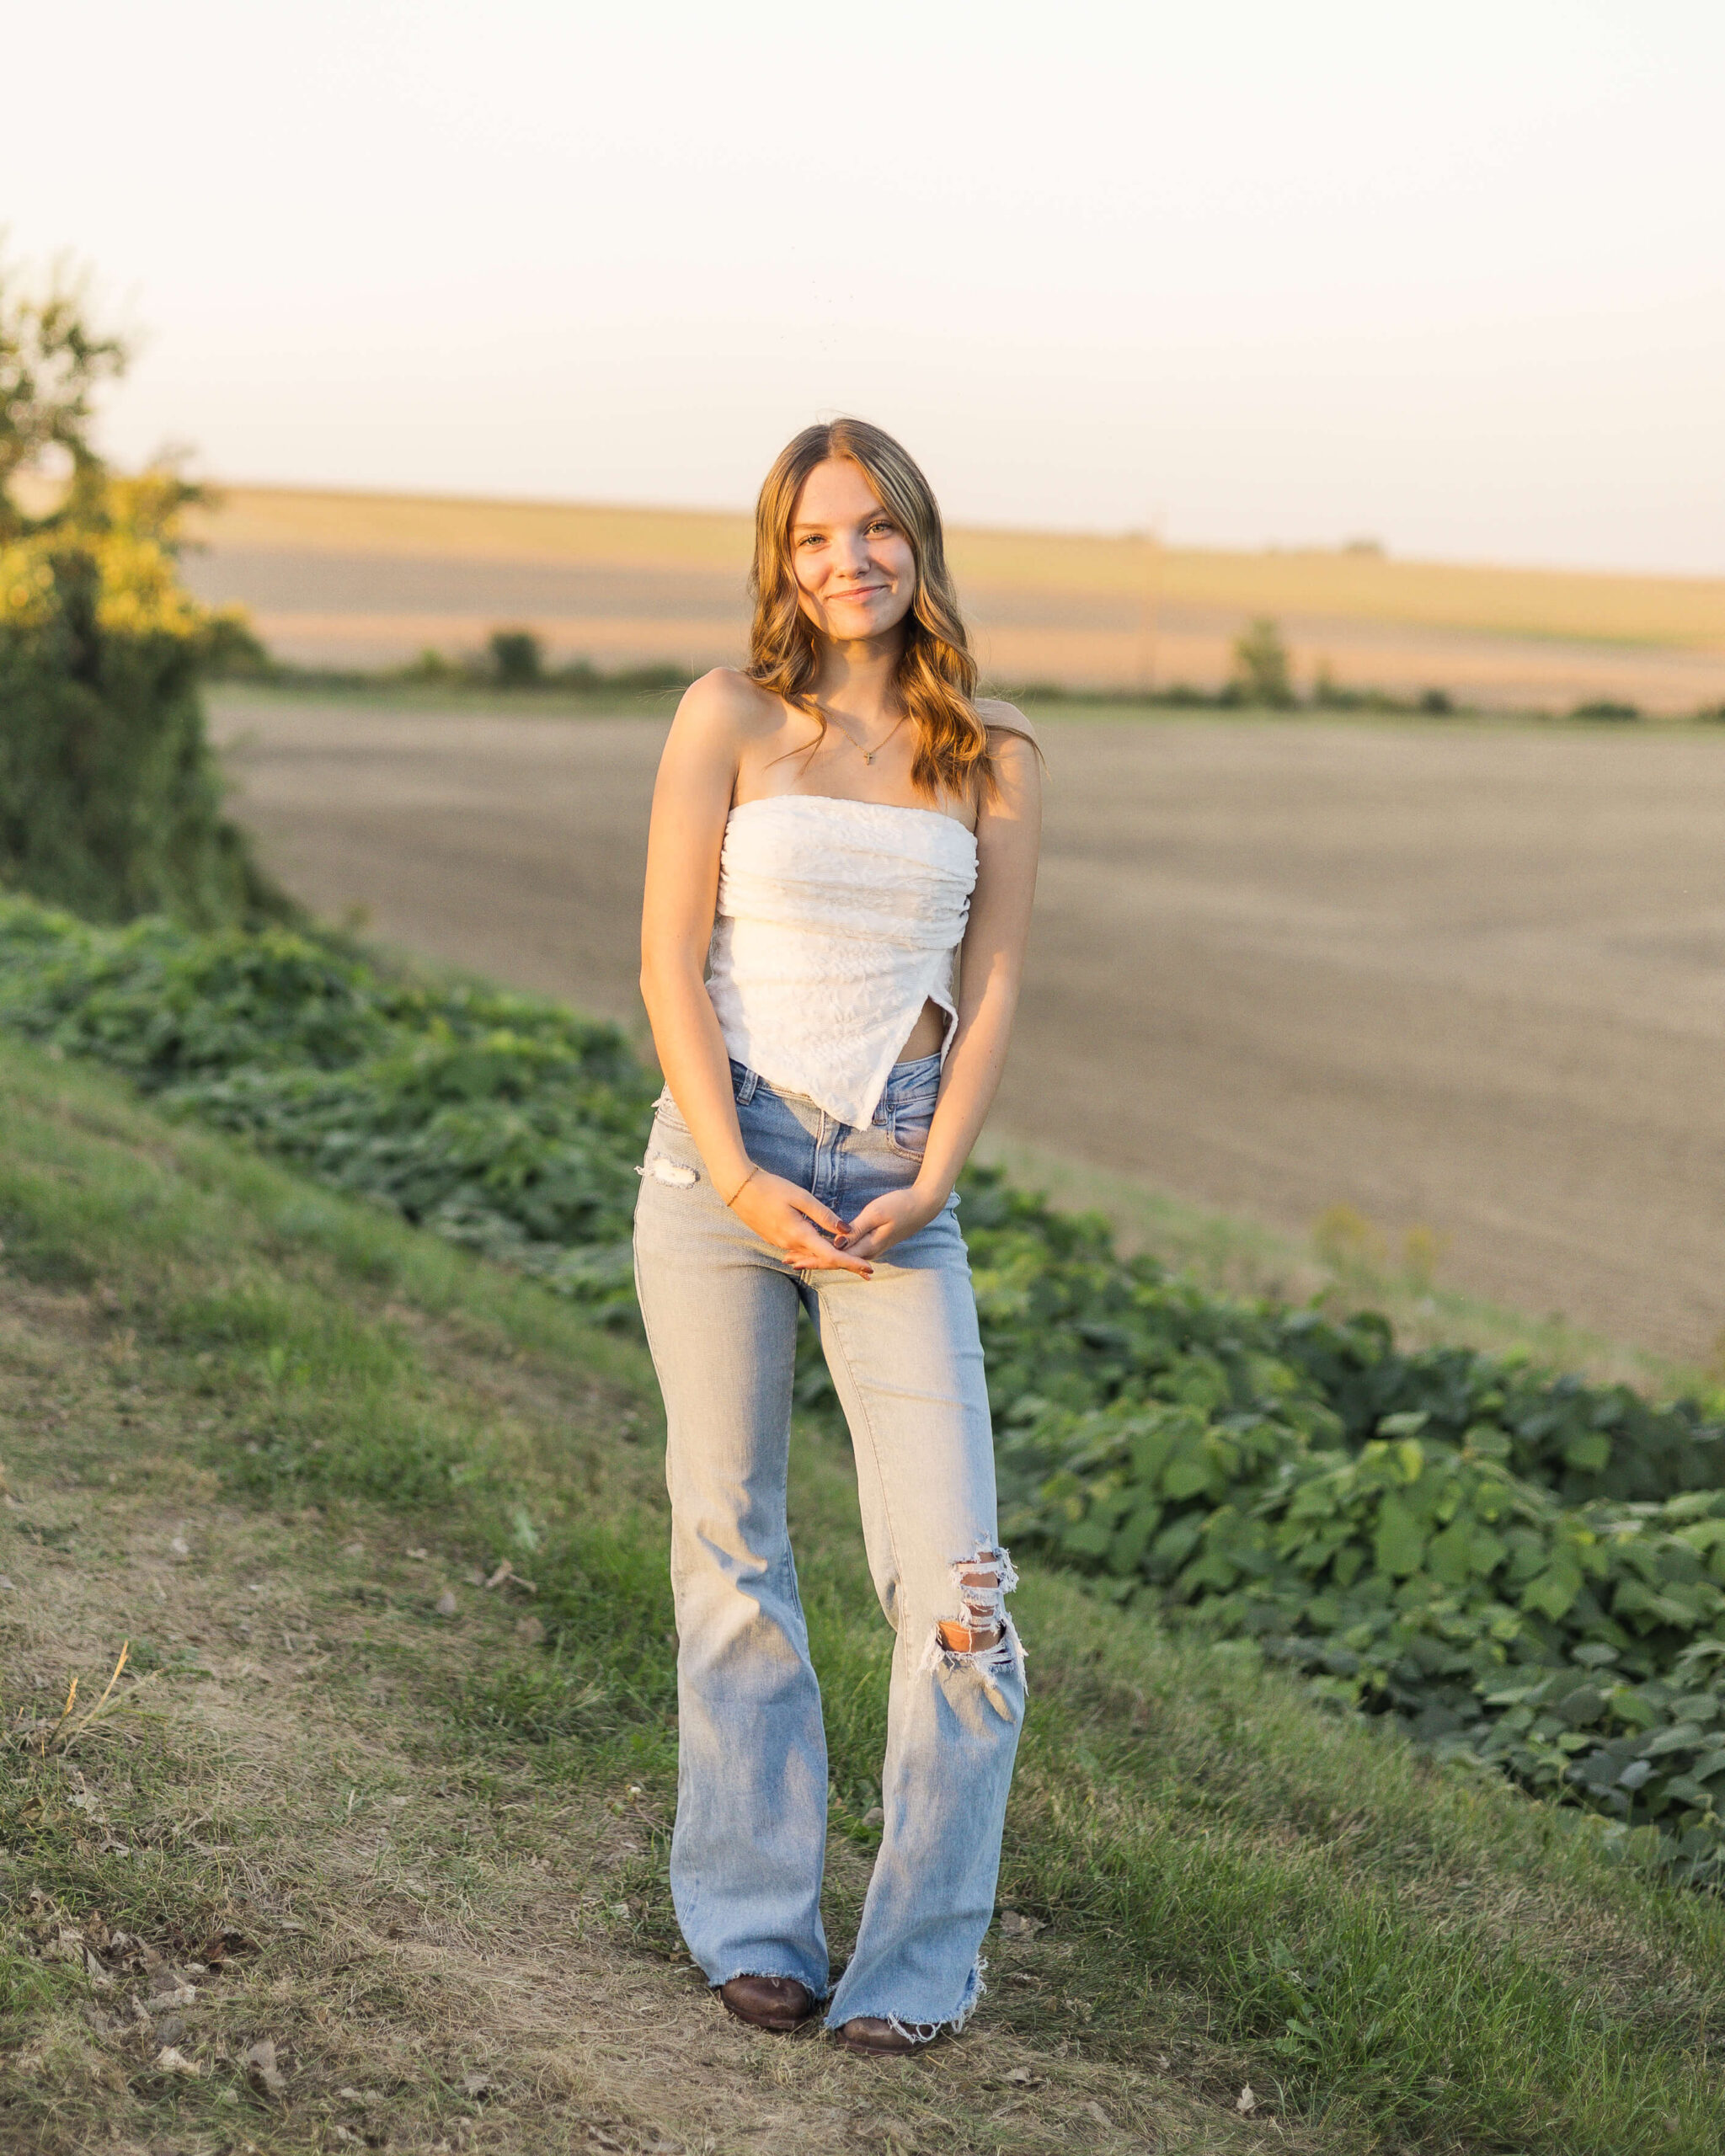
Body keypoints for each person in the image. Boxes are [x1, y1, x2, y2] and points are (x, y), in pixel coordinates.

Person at [633, 417, 1042, 2053]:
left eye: (873, 529)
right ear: (778, 559)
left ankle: (917, 1963)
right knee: (732, 1550)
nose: (845, 561)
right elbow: (668, 961)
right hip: (718, 1168)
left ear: (917, 541)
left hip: (892, 1180)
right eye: (811, 538)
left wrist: (933, 1174)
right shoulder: (725, 715)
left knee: (955, 1587)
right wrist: (737, 1178)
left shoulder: (993, 748)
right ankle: (753, 1925)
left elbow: (998, 976)